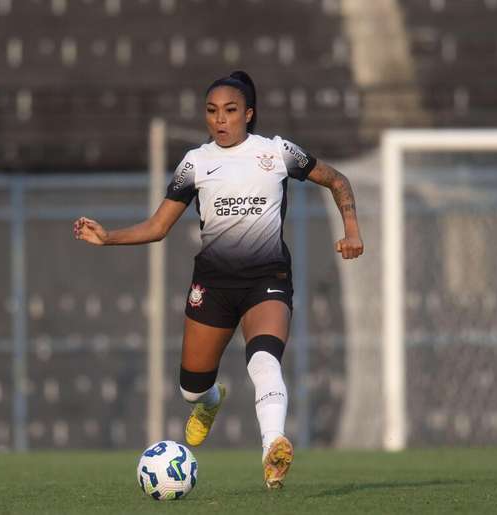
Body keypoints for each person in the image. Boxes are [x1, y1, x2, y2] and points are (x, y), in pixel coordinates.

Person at [73, 71, 363, 489]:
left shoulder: (277, 152)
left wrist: (352, 230)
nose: (220, 120)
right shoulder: (196, 162)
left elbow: (337, 180)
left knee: (264, 360)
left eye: (229, 111)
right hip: (213, 287)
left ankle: (272, 448)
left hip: (267, 278)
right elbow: (158, 227)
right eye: (211, 112)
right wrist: (108, 238)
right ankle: (209, 402)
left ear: (249, 113)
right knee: (192, 388)